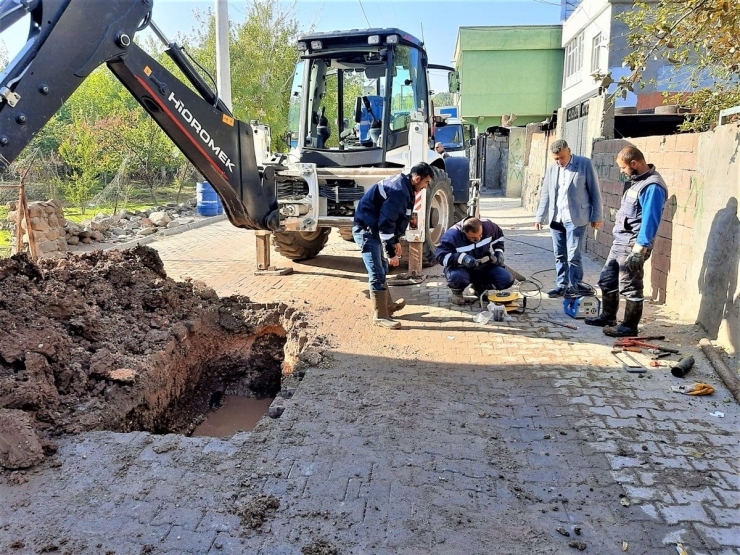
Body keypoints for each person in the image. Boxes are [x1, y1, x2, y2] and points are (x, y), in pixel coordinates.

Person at [585, 146, 668, 337]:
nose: (622, 172)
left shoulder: (652, 186)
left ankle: (629, 327)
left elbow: (650, 219)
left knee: (630, 286)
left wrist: (639, 249)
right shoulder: (637, 182)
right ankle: (608, 317)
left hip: (633, 244)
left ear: (634, 163)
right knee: (607, 280)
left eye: (623, 168)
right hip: (620, 241)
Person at [353, 162, 434, 329]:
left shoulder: (405, 186)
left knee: (381, 268)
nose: (425, 186)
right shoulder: (399, 191)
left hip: (372, 228)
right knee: (376, 271)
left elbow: (397, 217)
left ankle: (387, 307)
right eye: (426, 182)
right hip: (367, 231)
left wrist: (396, 239)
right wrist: (391, 253)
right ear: (417, 178)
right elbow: (386, 223)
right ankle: (380, 316)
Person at [534, 139, 603, 298]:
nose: (559, 161)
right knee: (560, 254)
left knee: (573, 254)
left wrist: (596, 215)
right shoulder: (552, 169)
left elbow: (594, 192)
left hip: (576, 217)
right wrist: (539, 216)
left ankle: (576, 285)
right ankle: (561, 285)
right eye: (556, 159)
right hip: (557, 218)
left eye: (562, 157)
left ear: (569, 151)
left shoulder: (584, 164)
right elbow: (545, 194)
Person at [435, 216, 515, 305]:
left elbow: (499, 237)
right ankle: (457, 293)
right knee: (457, 277)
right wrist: (462, 258)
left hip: (484, 267)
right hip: (461, 269)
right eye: (473, 237)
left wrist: (499, 251)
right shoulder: (452, 235)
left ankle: (479, 288)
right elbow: (440, 256)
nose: (478, 239)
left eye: (480, 235)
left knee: (507, 279)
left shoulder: (489, 227)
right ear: (464, 233)